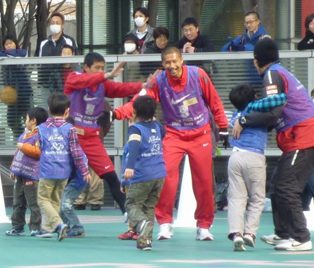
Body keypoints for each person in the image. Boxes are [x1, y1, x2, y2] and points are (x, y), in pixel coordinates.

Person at [100, 47, 229, 241]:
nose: (172, 66)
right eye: (167, 62)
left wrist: (223, 127)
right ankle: (165, 223)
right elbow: (139, 102)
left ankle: (203, 226)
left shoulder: (198, 75)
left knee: (204, 182)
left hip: (201, 135)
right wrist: (115, 114)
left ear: (182, 60)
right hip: (174, 135)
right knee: (166, 179)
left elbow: (215, 101)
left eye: (175, 61)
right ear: (163, 64)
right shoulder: (159, 81)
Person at [232, 38, 314, 251]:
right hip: (298, 136)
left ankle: (301, 238)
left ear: (256, 61)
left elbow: (272, 113)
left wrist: (243, 120)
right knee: (277, 185)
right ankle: (283, 233)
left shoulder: (270, 75)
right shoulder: (279, 71)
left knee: (287, 187)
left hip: (302, 136)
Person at [64, 52, 154, 216]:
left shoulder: (103, 85)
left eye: (103, 68)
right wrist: (108, 74)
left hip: (92, 138)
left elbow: (121, 88)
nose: (100, 71)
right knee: (64, 176)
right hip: (72, 137)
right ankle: (55, 219)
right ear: (86, 67)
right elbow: (82, 81)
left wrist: (143, 85)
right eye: (97, 68)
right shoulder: (74, 77)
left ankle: (129, 216)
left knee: (111, 176)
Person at [227, 83, 287, 251]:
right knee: (257, 198)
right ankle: (249, 233)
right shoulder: (256, 107)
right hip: (254, 157)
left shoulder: (235, 114)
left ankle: (236, 233)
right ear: (254, 97)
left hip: (235, 156)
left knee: (236, 198)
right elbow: (280, 99)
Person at [37, 93, 91, 241]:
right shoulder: (70, 129)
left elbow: (37, 147)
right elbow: (76, 152)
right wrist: (84, 170)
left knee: (42, 199)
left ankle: (59, 225)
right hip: (64, 172)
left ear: (48, 109)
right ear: (67, 111)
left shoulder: (41, 128)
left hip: (47, 170)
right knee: (55, 200)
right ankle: (48, 228)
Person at [123, 95, 166, 251]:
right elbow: (164, 133)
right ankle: (145, 241)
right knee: (149, 206)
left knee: (132, 203)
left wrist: (129, 166)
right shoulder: (157, 125)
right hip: (159, 173)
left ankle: (140, 224)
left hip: (142, 174)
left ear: (133, 111)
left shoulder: (135, 128)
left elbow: (133, 146)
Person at [6, 107, 48, 237]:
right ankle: (17, 226)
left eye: (27, 119)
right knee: (18, 201)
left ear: (33, 121)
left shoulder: (40, 135)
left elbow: (38, 153)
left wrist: (23, 146)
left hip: (32, 175)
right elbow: (18, 154)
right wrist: (13, 168)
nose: (25, 121)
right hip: (20, 173)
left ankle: (35, 227)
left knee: (33, 202)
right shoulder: (23, 135)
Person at [39, 13, 78, 107]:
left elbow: (75, 62)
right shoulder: (43, 43)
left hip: (64, 84)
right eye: (52, 23)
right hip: (47, 85)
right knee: (48, 111)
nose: (54, 25)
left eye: (57, 23)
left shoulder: (69, 41)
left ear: (62, 25)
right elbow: (40, 64)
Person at [2, 34, 33, 140]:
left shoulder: (21, 53)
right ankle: (20, 138)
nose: (8, 46)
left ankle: (29, 140)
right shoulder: (3, 58)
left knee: (28, 119)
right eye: (6, 44)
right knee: (11, 120)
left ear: (15, 44)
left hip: (24, 93)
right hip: (11, 95)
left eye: (11, 43)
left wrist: (8, 54)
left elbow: (22, 56)